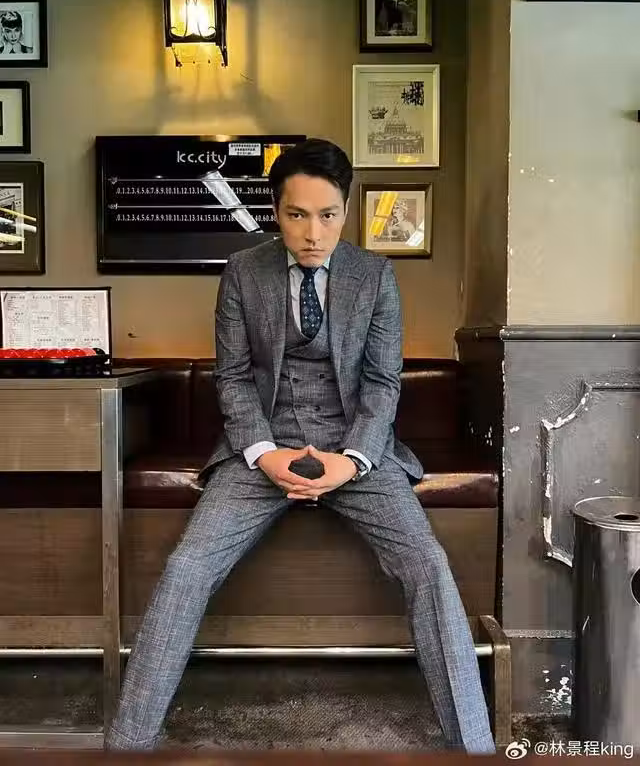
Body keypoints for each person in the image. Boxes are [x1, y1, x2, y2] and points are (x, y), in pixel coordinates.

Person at [105, 138, 496, 754]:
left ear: (346, 211)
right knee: (186, 568)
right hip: (261, 447)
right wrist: (264, 453)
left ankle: (473, 749)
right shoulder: (243, 271)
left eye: (328, 215)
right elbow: (233, 378)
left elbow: (382, 381)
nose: (314, 233)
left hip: (357, 448)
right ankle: (126, 746)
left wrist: (352, 460)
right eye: (297, 215)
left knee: (428, 564)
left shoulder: (375, 276)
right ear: (275, 211)